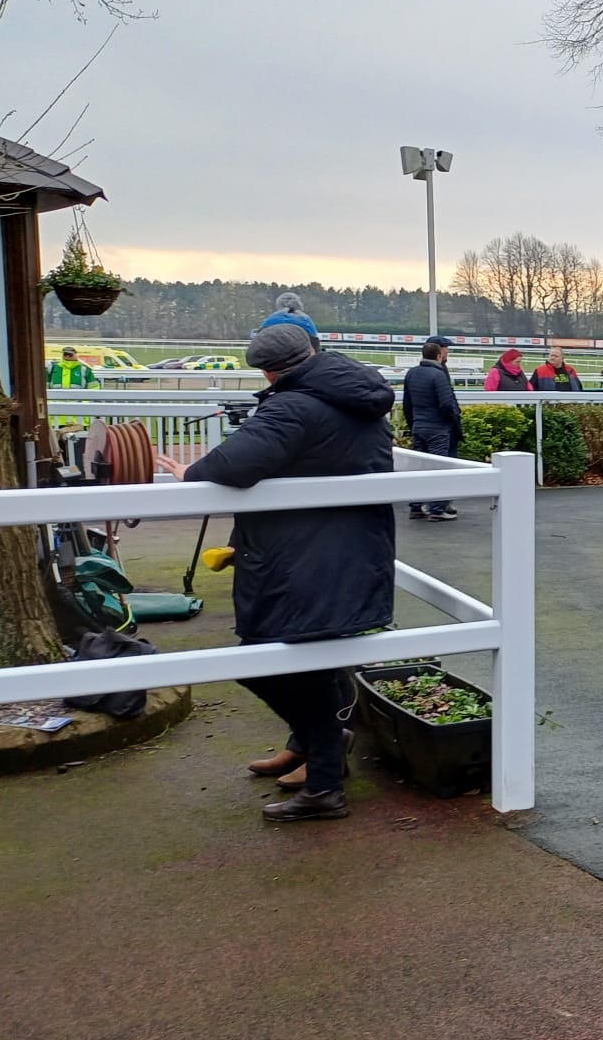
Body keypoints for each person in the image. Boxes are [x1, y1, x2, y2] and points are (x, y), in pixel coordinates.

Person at [152, 324, 396, 821]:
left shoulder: (291, 406)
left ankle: (324, 776)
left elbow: (232, 464)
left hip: (302, 558)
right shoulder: (356, 397)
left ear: (267, 369)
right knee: (311, 661)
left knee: (265, 661)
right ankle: (314, 748)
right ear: (314, 352)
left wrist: (187, 476)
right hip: (347, 552)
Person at [402, 338, 463, 522]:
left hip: (419, 426)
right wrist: (452, 421)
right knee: (439, 468)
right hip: (438, 427)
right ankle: (437, 509)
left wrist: (414, 423)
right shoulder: (438, 375)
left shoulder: (412, 374)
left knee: (420, 468)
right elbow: (446, 403)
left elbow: (407, 404)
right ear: (438, 356)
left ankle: (416, 507)